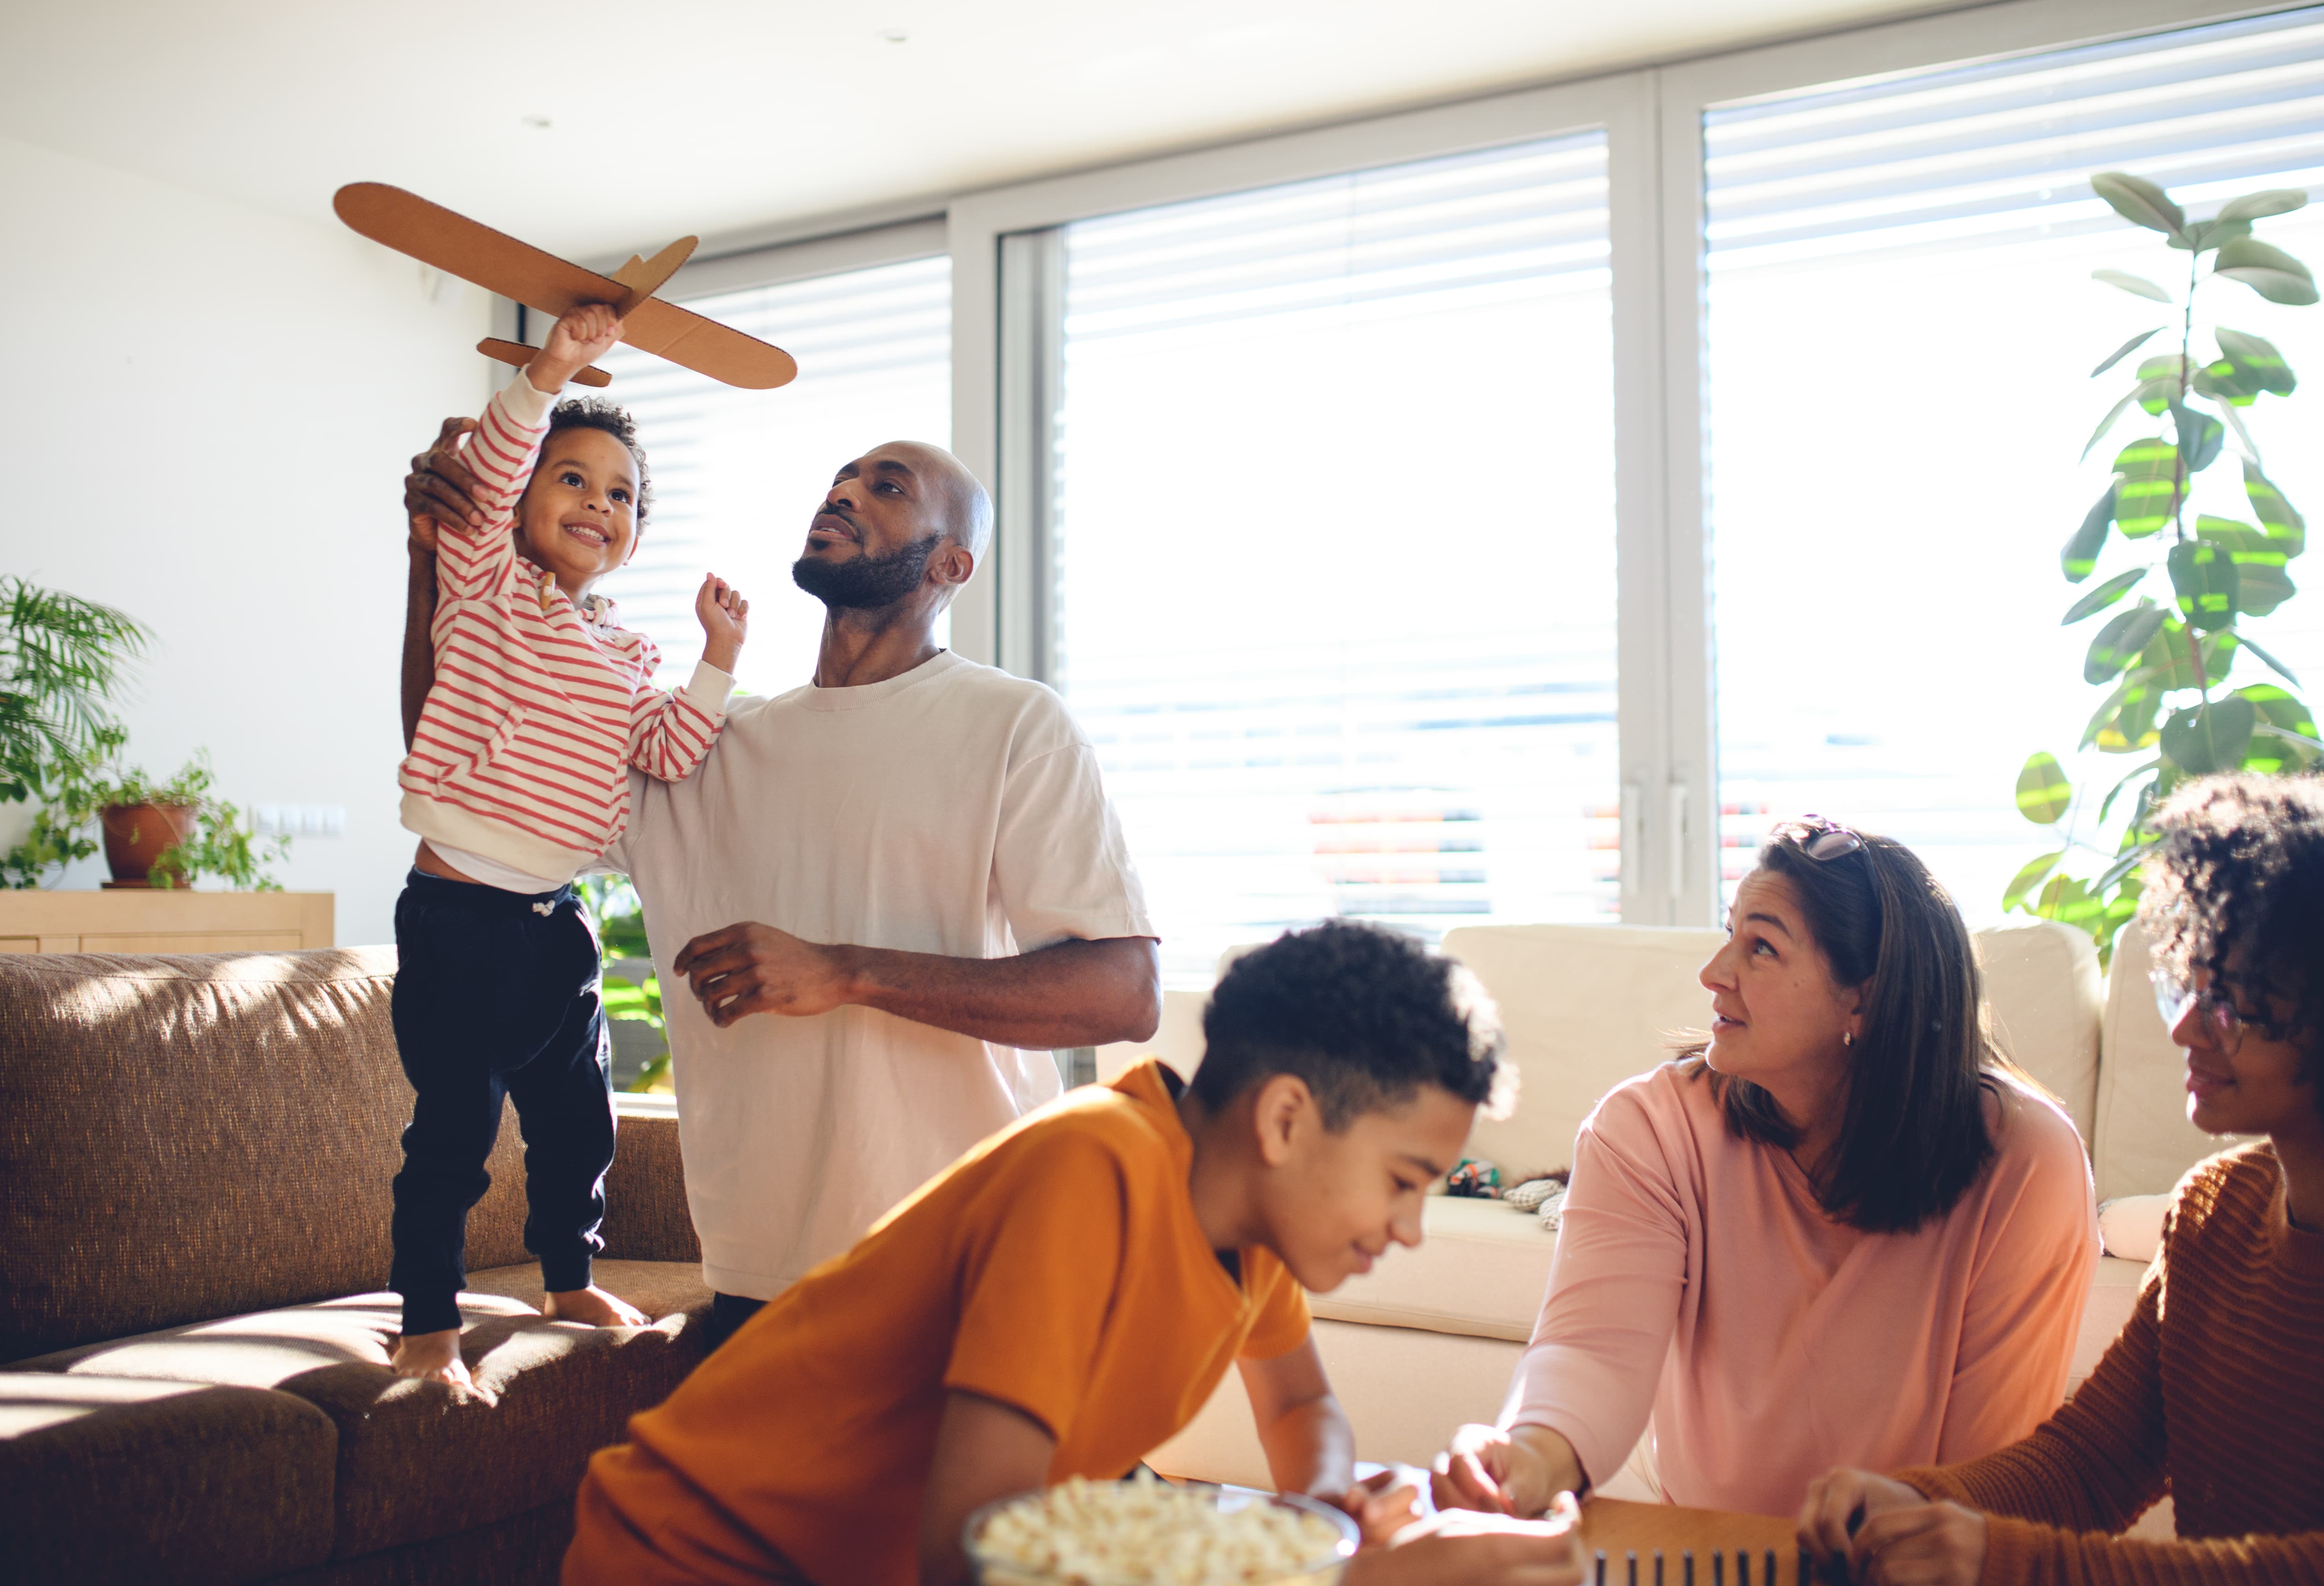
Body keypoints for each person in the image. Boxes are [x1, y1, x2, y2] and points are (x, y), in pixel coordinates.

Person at [402, 428, 1158, 1347]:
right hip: (758, 1280)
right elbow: (464, 757)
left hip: (964, 1262)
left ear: (953, 562)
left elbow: (1123, 992)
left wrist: (846, 971)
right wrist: (430, 559)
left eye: (887, 487)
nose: (844, 492)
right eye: (841, 478)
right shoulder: (718, 747)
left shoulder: (1014, 723)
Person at [561, 922, 1588, 1586]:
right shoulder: (1090, 1168)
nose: (1410, 1225)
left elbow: (1300, 1407)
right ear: (1285, 1118)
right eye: (1404, 1178)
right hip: (700, 1552)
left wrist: (1326, 1511)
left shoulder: (1257, 1231)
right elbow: (978, 1544)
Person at [1797, 774, 2324, 1586]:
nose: (2182, 1028)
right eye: (2191, 987)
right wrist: (1916, 1507)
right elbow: (2092, 1462)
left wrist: (2013, 1563)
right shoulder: (2214, 1213)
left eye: (2231, 1004)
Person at [1432, 817, 2097, 1519]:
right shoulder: (1650, 1129)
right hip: (1708, 1557)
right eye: (1729, 935)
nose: (1713, 973)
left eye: (1761, 948)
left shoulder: (2025, 1161)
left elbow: (1986, 1489)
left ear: (1863, 997)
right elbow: (1592, 1352)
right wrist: (1529, 1454)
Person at [388, 303, 752, 1392]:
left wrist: (715, 658)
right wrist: (551, 370)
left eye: (623, 494)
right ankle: (426, 1323)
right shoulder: (486, 585)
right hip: (457, 918)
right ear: (520, 505)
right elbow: (494, 470)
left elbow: (671, 750)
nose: (600, 503)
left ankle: (566, 1274)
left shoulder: (624, 649)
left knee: (576, 1117)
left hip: (558, 925)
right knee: (454, 1132)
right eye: (574, 480)